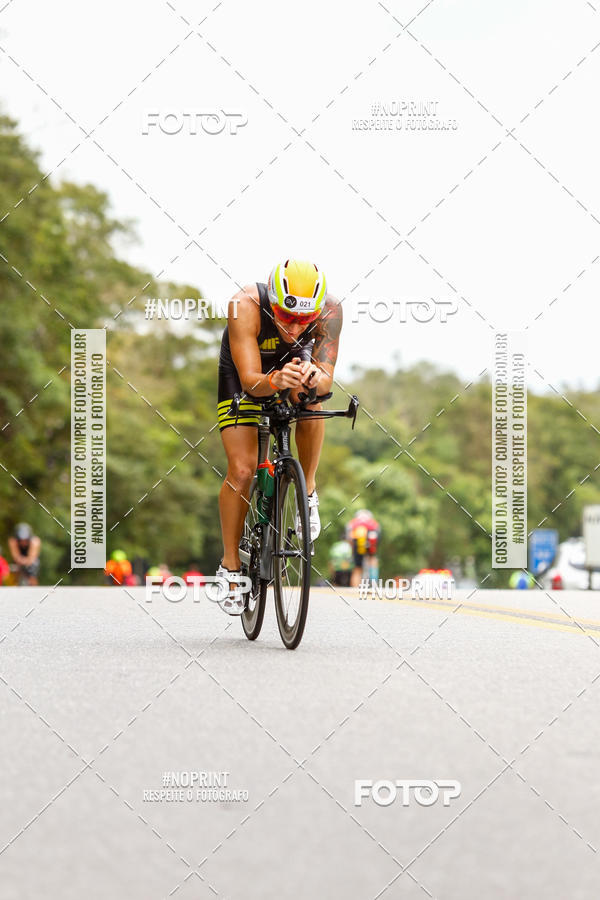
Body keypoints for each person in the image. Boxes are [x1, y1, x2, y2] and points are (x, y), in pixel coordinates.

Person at [215, 259, 342, 615]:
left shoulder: (331, 312)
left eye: (304, 320)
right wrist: (274, 380)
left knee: (312, 400)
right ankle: (230, 566)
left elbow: (327, 379)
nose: (294, 327)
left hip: (294, 372)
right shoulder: (244, 305)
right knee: (242, 470)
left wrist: (314, 378)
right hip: (246, 379)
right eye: (286, 316)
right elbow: (251, 381)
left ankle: (308, 491)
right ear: (272, 301)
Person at [346, 510, 381, 587]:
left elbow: (349, 538)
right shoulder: (373, 522)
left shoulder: (353, 522)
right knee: (372, 560)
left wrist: (352, 551)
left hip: (357, 538)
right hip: (372, 536)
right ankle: (374, 585)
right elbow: (378, 536)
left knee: (357, 568)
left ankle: (355, 588)